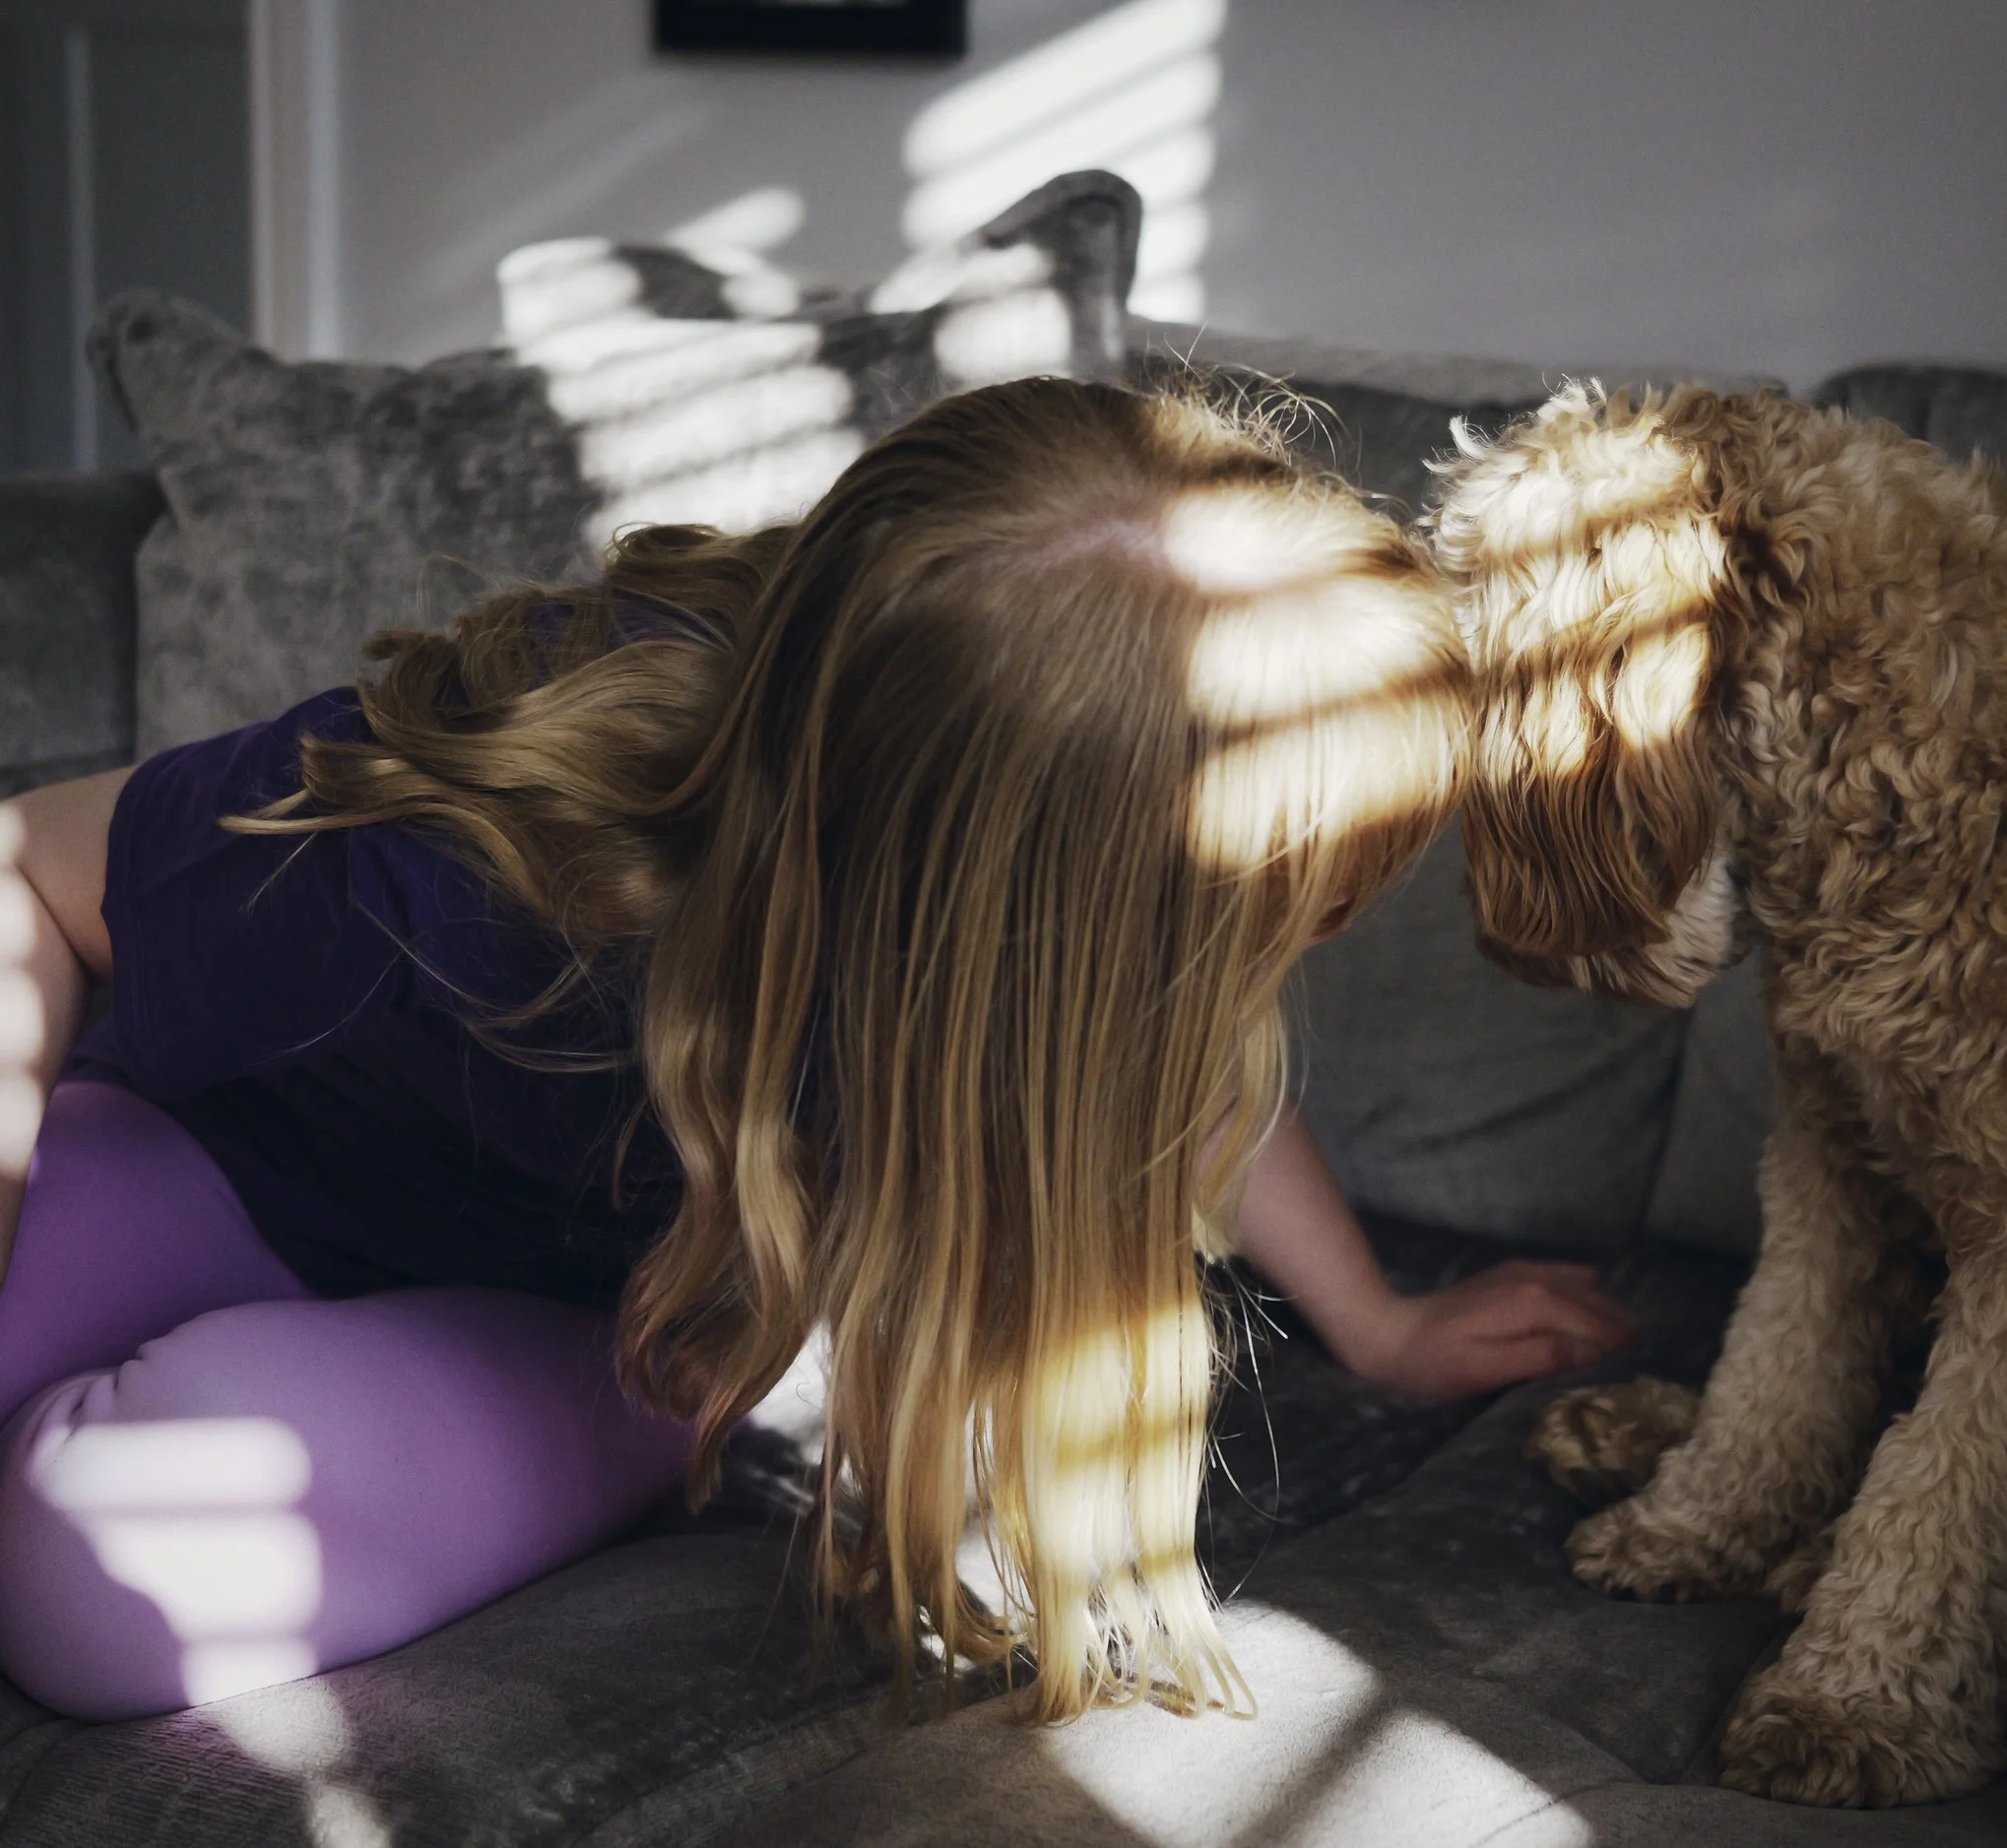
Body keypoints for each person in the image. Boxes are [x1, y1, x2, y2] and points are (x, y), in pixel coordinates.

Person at [0, 378, 1631, 1725]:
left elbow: (1183, 1056)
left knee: (94, 1585)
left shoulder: (1059, 992)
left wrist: (1382, 1318)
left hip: (614, 1338)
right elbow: (30, 871)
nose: (1326, 945)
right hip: (230, 1163)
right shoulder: (463, 858)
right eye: (1314, 908)